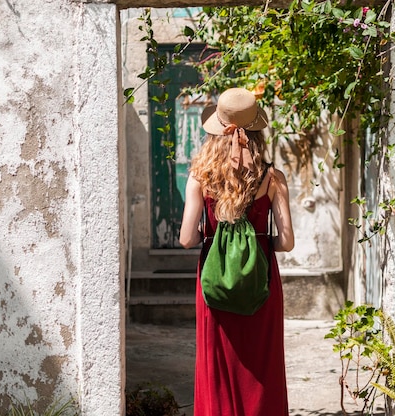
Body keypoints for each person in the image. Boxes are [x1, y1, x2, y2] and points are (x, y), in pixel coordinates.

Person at [179, 87, 295, 415]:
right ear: (257, 130)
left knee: (217, 369)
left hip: (214, 282)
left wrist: (210, 232)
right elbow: (286, 241)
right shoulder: (273, 177)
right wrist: (260, 242)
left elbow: (186, 239)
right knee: (261, 369)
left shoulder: (200, 176)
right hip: (262, 282)